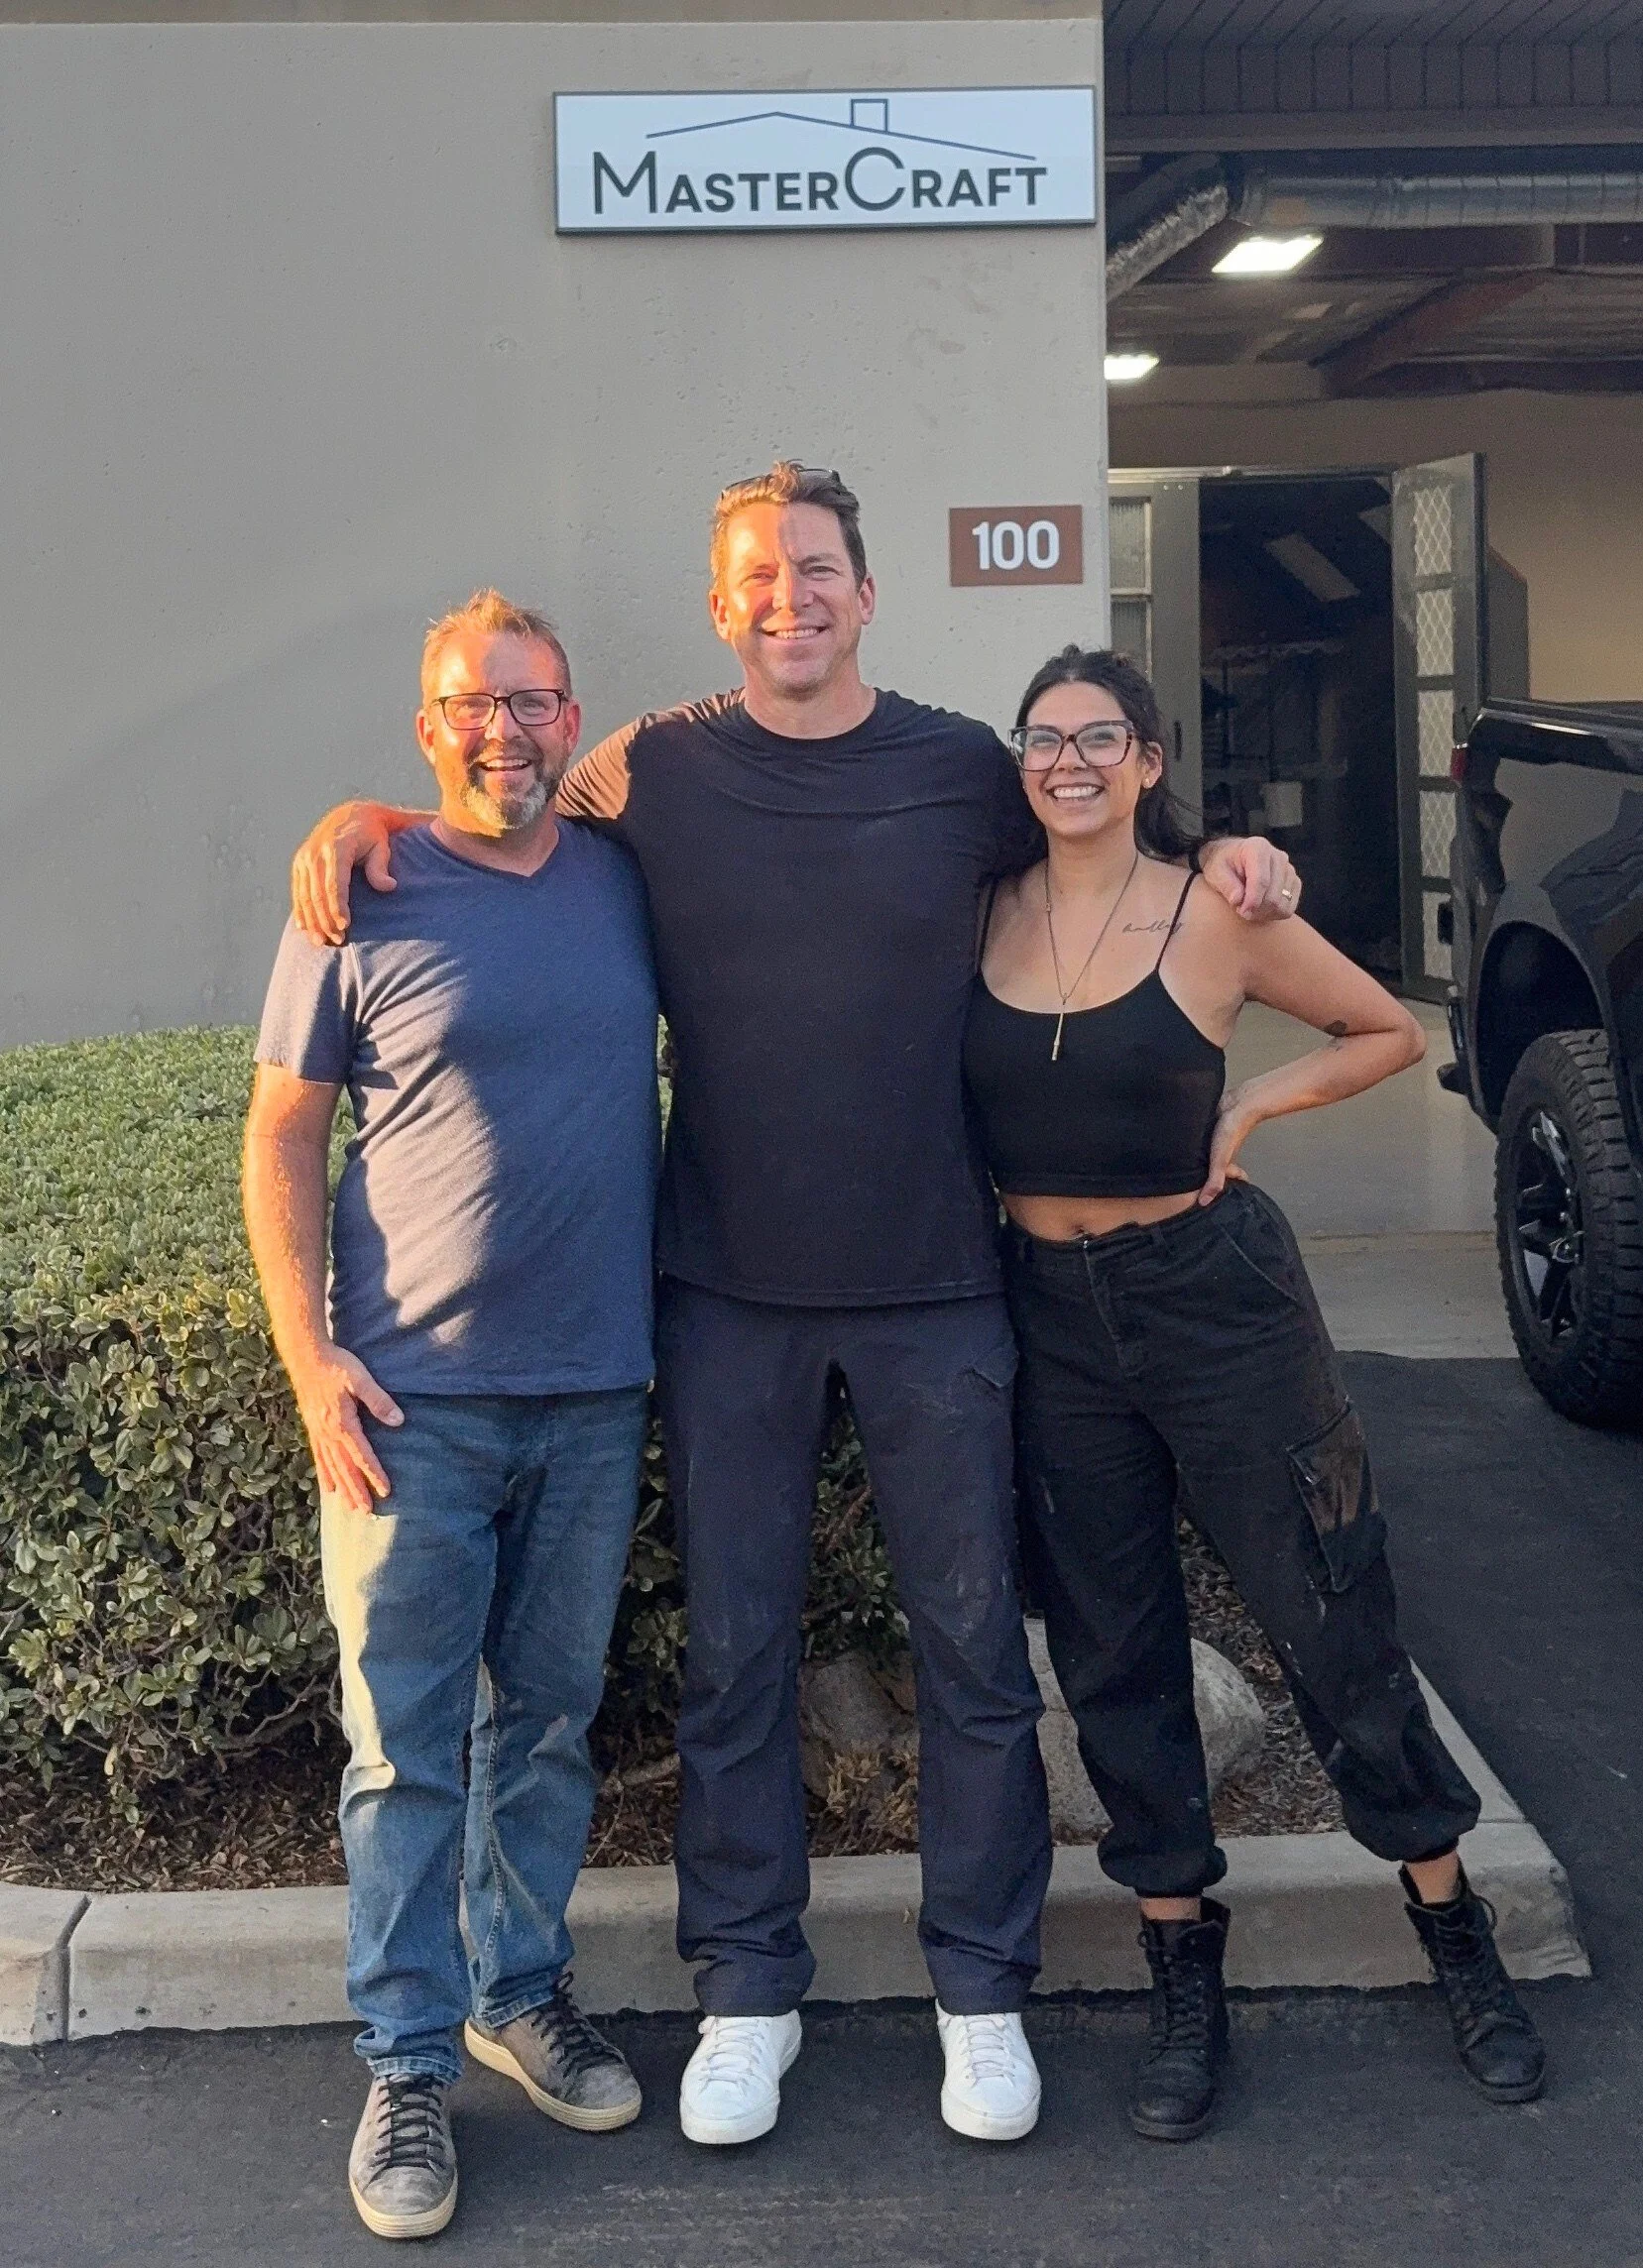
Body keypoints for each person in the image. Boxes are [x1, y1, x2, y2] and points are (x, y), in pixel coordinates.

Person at [288, 465, 1301, 2150]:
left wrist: (1236, 850)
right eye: (757, 578)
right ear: (721, 607)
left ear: (864, 592)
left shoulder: (961, 771)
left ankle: (982, 1992)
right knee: (737, 1664)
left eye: (815, 571)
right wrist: (371, 822)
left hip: (936, 1290)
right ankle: (748, 1994)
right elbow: (504, 804)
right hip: (726, 1299)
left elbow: (1095, 837)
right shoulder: (656, 770)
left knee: (977, 1655)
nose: (788, 600)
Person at [963, 642, 1548, 2143]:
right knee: (1113, 1647)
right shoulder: (978, 907)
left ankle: (1452, 1927)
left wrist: (1256, 1100)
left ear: (1152, 761)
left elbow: (1388, 1029)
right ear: (1019, 760)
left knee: (1329, 1606)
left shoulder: (1219, 911)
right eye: (1046, 738)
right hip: (1049, 1319)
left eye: (1104, 738)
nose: (1071, 761)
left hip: (1213, 1304)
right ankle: (1182, 1970)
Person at [245, 592, 661, 2240]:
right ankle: (407, 2061)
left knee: (546, 1726)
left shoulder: (626, 874)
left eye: (536, 700)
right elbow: (282, 1138)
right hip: (412, 1407)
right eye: (474, 703)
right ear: (429, 727)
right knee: (404, 1755)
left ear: (575, 719)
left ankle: (519, 1991)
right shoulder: (362, 886)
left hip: (596, 1389)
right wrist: (308, 1359)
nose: (509, 727)